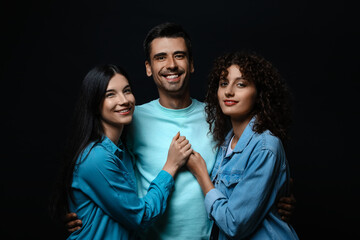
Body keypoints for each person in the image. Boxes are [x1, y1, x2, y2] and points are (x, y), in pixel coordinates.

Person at [64, 23, 296, 239]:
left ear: (192, 64)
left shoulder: (220, 115)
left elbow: (248, 169)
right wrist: (86, 211)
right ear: (148, 67)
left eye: (179, 55)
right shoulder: (129, 118)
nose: (171, 65)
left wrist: (279, 196)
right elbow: (104, 173)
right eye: (160, 57)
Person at [52, 64, 193, 239]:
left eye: (127, 91)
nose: (124, 100)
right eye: (110, 94)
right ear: (95, 103)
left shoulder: (122, 150)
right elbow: (140, 217)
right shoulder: (96, 157)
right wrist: (170, 167)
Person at [186, 51, 299, 239]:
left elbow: (234, 224)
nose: (229, 91)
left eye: (241, 84)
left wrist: (202, 176)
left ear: (259, 94)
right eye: (224, 83)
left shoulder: (265, 146)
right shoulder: (226, 142)